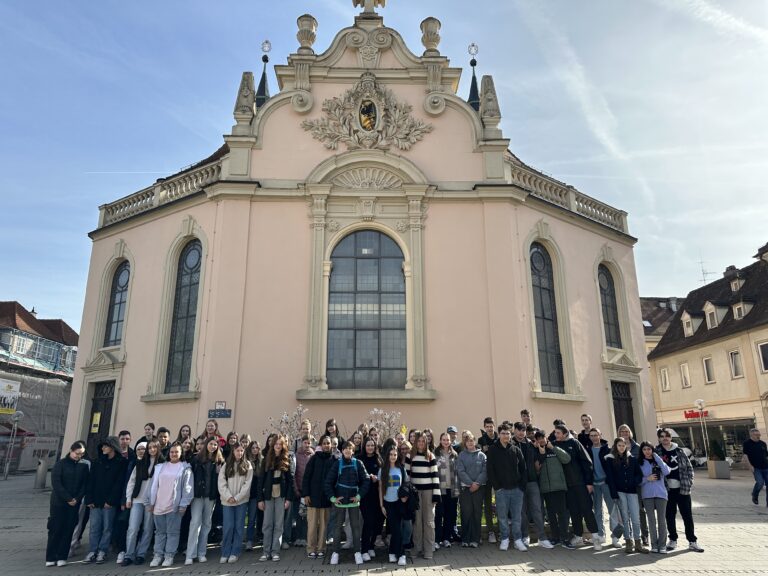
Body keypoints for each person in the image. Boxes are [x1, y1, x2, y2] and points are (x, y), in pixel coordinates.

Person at [553, 424, 601, 550]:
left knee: (586, 510)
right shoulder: (554, 445)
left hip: (580, 483)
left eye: (558, 433)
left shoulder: (575, 443)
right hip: (567, 486)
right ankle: (578, 536)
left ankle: (596, 537)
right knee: (574, 511)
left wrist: (589, 482)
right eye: (555, 433)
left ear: (564, 433)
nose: (556, 435)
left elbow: (587, 462)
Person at [656, 428, 703, 552]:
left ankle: (692, 541)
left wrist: (689, 482)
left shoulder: (679, 451)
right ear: (659, 438)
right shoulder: (657, 452)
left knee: (687, 515)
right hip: (667, 490)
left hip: (683, 489)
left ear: (671, 438)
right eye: (662, 436)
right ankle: (673, 540)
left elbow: (689, 468)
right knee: (669, 515)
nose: (665, 438)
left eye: (667, 436)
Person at [325, 440, 370, 566]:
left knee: (356, 528)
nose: (347, 450)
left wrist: (359, 495)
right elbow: (328, 482)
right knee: (337, 527)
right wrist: (333, 498)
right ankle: (335, 553)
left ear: (353, 450)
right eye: (345, 448)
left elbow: (366, 480)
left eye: (349, 448)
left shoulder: (358, 463)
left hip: (354, 502)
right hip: (340, 502)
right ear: (342, 450)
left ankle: (357, 552)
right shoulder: (337, 464)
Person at [148, 442, 193, 567]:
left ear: (181, 453)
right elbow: (153, 485)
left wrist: (184, 504)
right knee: (159, 532)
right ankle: (158, 555)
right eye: (172, 452)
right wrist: (150, 502)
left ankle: (169, 556)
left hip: (174, 506)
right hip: (158, 505)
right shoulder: (160, 467)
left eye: (176, 452)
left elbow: (187, 488)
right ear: (169, 453)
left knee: (173, 532)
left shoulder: (185, 468)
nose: (174, 454)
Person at [84, 436, 127, 564]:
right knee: (94, 527)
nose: (103, 448)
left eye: (105, 446)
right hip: (95, 500)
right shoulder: (98, 462)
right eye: (102, 446)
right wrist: (89, 498)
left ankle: (102, 551)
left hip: (109, 502)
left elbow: (119, 483)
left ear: (112, 447)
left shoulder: (121, 462)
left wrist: (111, 500)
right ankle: (92, 550)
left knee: (107, 527)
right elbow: (91, 481)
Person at [45, 441, 89, 567]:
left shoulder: (83, 467)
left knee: (68, 529)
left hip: (74, 503)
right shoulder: (60, 464)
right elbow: (57, 484)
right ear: (71, 450)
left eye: (81, 454)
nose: (79, 456)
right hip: (59, 503)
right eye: (77, 453)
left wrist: (77, 498)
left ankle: (62, 556)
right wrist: (68, 498)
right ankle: (51, 556)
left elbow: (84, 485)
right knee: (55, 528)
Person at [486, 423, 527, 552]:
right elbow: (490, 470)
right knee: (502, 516)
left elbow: (523, 469)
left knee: (516, 516)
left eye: (508, 433)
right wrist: (497, 487)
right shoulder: (493, 449)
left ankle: (517, 540)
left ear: (511, 435)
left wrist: (521, 487)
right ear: (499, 435)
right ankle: (504, 539)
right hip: (501, 490)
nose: (506, 435)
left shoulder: (515, 449)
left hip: (516, 490)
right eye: (503, 433)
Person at [512, 422, 552, 549]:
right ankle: (525, 536)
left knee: (537, 510)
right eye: (519, 430)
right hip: (518, 483)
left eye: (523, 430)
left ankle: (542, 538)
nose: (521, 432)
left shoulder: (531, 444)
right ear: (514, 430)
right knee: (521, 512)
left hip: (532, 481)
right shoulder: (510, 444)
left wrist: (540, 450)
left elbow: (539, 460)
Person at [124, 440, 163, 566]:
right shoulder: (140, 463)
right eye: (149, 447)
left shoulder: (162, 464)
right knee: (133, 529)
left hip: (151, 502)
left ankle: (141, 554)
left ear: (158, 448)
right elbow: (131, 482)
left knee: (147, 528)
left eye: (154, 447)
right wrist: (128, 498)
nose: (152, 450)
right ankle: (129, 555)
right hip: (137, 500)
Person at [186, 437, 224, 565]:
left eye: (215, 445)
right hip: (198, 496)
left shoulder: (219, 461)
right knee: (195, 522)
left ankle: (201, 552)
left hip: (211, 497)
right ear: (206, 444)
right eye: (211, 444)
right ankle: (190, 554)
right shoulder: (196, 459)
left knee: (206, 524)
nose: (213, 446)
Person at [605, 437, 646, 553]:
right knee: (625, 518)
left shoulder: (632, 459)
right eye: (619, 445)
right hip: (620, 492)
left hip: (632, 492)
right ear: (615, 446)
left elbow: (639, 474)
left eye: (623, 445)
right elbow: (610, 479)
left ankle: (638, 542)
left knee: (635, 518)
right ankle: (628, 541)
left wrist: (634, 482)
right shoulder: (610, 459)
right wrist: (614, 494)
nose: (621, 447)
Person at [258, 434, 293, 562]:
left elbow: (291, 481)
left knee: (279, 524)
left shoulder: (286, 459)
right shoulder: (266, 459)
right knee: (267, 524)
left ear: (283, 446)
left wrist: (288, 499)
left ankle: (275, 551)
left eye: (280, 444)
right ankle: (266, 552)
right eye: (276, 444)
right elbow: (260, 480)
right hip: (268, 496)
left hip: (281, 495)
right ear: (272, 445)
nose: (278, 446)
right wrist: (260, 499)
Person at [405, 430, 440, 560]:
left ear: (426, 442)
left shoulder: (430, 456)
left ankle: (428, 549)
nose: (420, 443)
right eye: (418, 441)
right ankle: (416, 548)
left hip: (429, 492)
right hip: (415, 493)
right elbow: (407, 476)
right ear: (415, 442)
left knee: (429, 521)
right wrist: (408, 493)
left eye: (423, 441)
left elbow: (435, 477)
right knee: (417, 522)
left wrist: (436, 495)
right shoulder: (410, 456)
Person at [533, 431, 570, 548]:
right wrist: (540, 454)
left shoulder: (555, 447)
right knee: (551, 515)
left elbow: (566, 459)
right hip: (546, 488)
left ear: (546, 437)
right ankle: (555, 537)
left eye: (542, 438)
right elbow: (536, 470)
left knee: (562, 513)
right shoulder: (536, 451)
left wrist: (553, 448)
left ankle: (565, 538)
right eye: (538, 439)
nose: (541, 440)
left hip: (559, 486)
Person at [218, 443, 253, 564]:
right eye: (237, 450)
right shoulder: (226, 465)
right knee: (228, 527)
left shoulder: (247, 465)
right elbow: (221, 483)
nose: (239, 453)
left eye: (242, 451)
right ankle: (225, 552)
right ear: (233, 451)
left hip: (241, 502)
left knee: (239, 527)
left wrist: (237, 498)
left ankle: (235, 552)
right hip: (227, 502)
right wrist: (228, 497)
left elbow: (247, 485)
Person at [587, 428, 621, 547]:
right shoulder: (587, 450)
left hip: (606, 483)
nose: (594, 437)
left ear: (600, 435)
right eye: (591, 435)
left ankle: (615, 537)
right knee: (597, 511)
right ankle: (601, 535)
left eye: (596, 435)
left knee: (612, 510)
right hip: (594, 485)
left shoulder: (608, 449)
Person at [302, 435, 335, 559]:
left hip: (326, 499)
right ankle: (311, 548)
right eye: (324, 443)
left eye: (328, 443)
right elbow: (306, 477)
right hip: (313, 498)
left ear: (331, 445)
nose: (326, 445)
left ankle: (321, 548)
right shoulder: (314, 459)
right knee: (312, 525)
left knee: (324, 526)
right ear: (321, 445)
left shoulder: (333, 460)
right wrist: (306, 494)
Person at [617, 424, 648, 546]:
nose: (624, 433)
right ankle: (629, 537)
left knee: (640, 510)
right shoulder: (617, 448)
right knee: (626, 511)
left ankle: (643, 535)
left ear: (630, 433)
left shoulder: (637, 447)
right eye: (622, 431)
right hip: (623, 485)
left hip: (637, 484)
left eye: (626, 431)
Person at [638, 441, 670, 554]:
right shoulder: (640, 463)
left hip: (661, 494)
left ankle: (662, 545)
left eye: (649, 449)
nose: (647, 451)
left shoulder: (658, 460)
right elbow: (637, 481)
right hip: (647, 495)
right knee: (651, 521)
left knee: (661, 520)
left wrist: (658, 459)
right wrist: (647, 479)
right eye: (644, 449)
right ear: (642, 451)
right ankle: (654, 545)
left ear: (652, 450)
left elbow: (667, 471)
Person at [456, 431, 486, 548]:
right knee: (466, 513)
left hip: (479, 489)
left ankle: (475, 539)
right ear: (465, 443)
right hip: (465, 489)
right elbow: (461, 471)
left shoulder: (482, 455)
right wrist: (470, 483)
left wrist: (477, 483)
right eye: (468, 441)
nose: (470, 443)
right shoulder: (462, 455)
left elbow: (485, 471)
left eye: (472, 440)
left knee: (476, 513)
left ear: (475, 441)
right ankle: (465, 539)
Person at [379, 445, 409, 566]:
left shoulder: (401, 469)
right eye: (391, 454)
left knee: (397, 529)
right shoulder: (383, 470)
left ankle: (392, 552)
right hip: (388, 503)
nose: (393, 457)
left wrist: (405, 496)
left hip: (399, 503)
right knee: (396, 529)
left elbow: (406, 485)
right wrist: (381, 505)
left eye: (395, 455)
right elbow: (380, 488)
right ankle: (401, 554)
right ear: (387, 456)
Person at [434, 432, 460, 548]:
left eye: (447, 440)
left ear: (450, 441)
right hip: (440, 489)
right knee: (439, 515)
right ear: (440, 441)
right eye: (444, 440)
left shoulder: (455, 454)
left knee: (450, 515)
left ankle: (446, 538)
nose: (446, 442)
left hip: (452, 489)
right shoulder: (435, 454)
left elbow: (457, 472)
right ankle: (437, 539)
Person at [359, 438, 383, 561]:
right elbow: (357, 476)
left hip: (377, 495)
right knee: (368, 522)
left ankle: (371, 547)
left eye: (372, 445)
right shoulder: (360, 459)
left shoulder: (379, 459)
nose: (370, 447)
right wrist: (368, 477)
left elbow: (383, 475)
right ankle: (364, 549)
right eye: (368, 445)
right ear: (364, 446)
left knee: (377, 522)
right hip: (365, 496)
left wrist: (377, 479)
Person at [477, 417, 498, 543]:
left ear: (494, 426)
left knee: (501, 504)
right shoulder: (481, 440)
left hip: (498, 476)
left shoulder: (498, 438)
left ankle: (500, 531)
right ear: (484, 427)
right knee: (488, 504)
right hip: (486, 476)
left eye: (491, 426)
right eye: (487, 426)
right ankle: (490, 531)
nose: (490, 428)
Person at [292, 436, 314, 547]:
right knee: (298, 515)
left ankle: (305, 538)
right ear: (301, 443)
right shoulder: (296, 455)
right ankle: (298, 538)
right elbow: (294, 474)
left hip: (308, 492)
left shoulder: (313, 456)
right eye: (305, 442)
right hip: (298, 490)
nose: (306, 444)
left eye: (308, 442)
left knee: (307, 516)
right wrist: (296, 489)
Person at [245, 441, 264, 549]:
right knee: (245, 518)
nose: (255, 450)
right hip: (246, 493)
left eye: (257, 448)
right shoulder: (246, 461)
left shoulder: (261, 461)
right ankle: (247, 540)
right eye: (253, 448)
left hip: (256, 494)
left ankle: (251, 540)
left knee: (253, 518)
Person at [743, 428, 768, 506]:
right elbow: (745, 455)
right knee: (760, 483)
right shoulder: (746, 443)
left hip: (766, 467)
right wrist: (750, 466)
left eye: (759, 435)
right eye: (756, 435)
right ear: (751, 435)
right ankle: (755, 494)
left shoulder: (763, 443)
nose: (758, 436)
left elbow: (766, 455)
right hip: (756, 467)